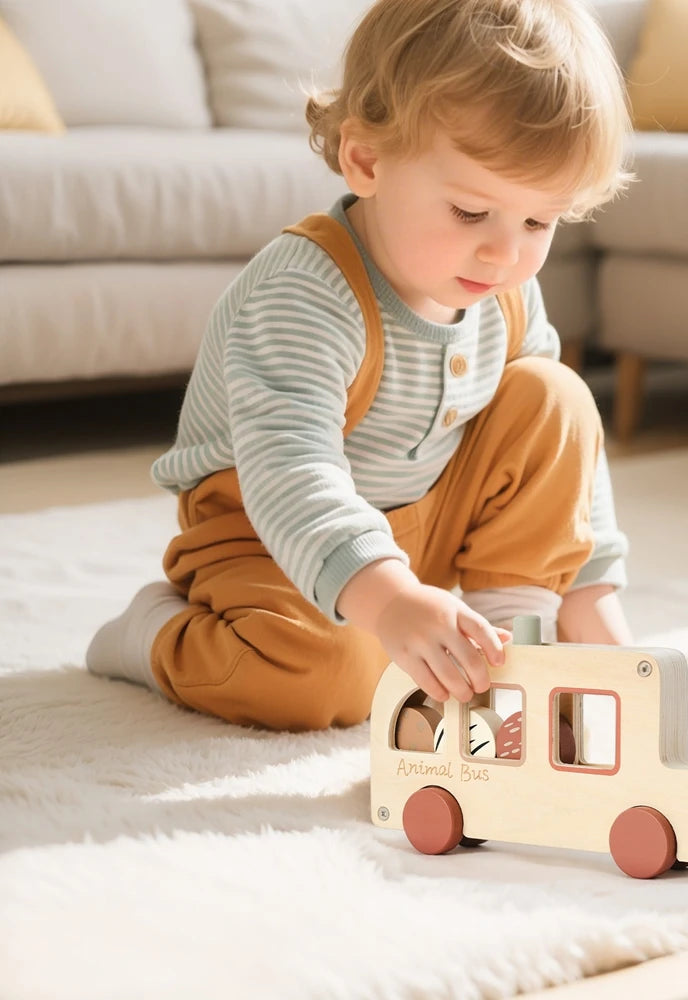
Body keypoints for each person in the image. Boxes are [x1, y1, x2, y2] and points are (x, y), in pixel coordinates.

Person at [86, 0, 635, 731]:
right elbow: (291, 472)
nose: (506, 254)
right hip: (266, 532)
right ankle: (155, 634)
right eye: (472, 213)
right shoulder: (305, 292)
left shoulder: (506, 290)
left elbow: (562, 458)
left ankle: (515, 638)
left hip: (421, 523)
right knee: (329, 680)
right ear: (367, 160)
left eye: (538, 221)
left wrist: (589, 593)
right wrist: (389, 600)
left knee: (555, 394)